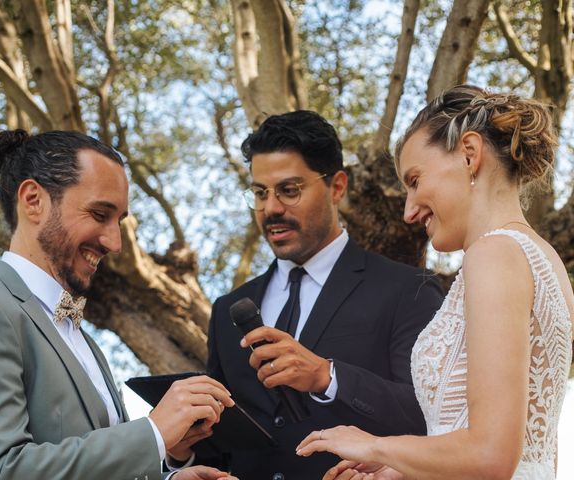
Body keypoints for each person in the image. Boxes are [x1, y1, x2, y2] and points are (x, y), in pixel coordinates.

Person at [296, 85, 574, 480]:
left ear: (470, 154)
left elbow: (491, 456)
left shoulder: (493, 254)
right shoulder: (545, 261)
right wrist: (394, 468)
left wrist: (373, 444)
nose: (409, 211)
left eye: (414, 180)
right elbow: (532, 456)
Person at [0, 130, 238, 480]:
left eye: (119, 221)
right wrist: (153, 433)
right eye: (99, 214)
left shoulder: (84, 339)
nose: (115, 242)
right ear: (33, 200)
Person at [168, 110, 444, 480]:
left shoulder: (408, 288)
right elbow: (222, 447)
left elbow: (433, 416)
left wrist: (328, 376)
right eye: (260, 193)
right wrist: (182, 456)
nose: (271, 209)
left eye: (289, 190)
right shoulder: (225, 311)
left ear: (337, 187)